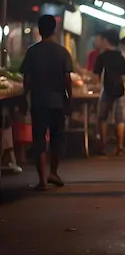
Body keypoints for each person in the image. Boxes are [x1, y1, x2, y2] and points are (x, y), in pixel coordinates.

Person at [20, 15, 73, 191]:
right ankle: (53, 172)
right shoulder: (62, 52)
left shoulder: (32, 51)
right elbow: (67, 79)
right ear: (55, 29)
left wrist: (23, 97)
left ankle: (42, 180)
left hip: (38, 101)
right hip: (57, 101)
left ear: (39, 30)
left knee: (39, 139)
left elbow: (27, 79)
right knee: (57, 138)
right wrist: (69, 99)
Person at [93, 30, 125, 156]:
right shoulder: (121, 56)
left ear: (106, 40)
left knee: (102, 117)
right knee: (120, 119)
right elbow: (123, 75)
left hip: (106, 90)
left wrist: (96, 86)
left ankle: (102, 145)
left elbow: (96, 74)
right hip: (119, 90)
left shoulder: (102, 56)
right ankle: (120, 146)